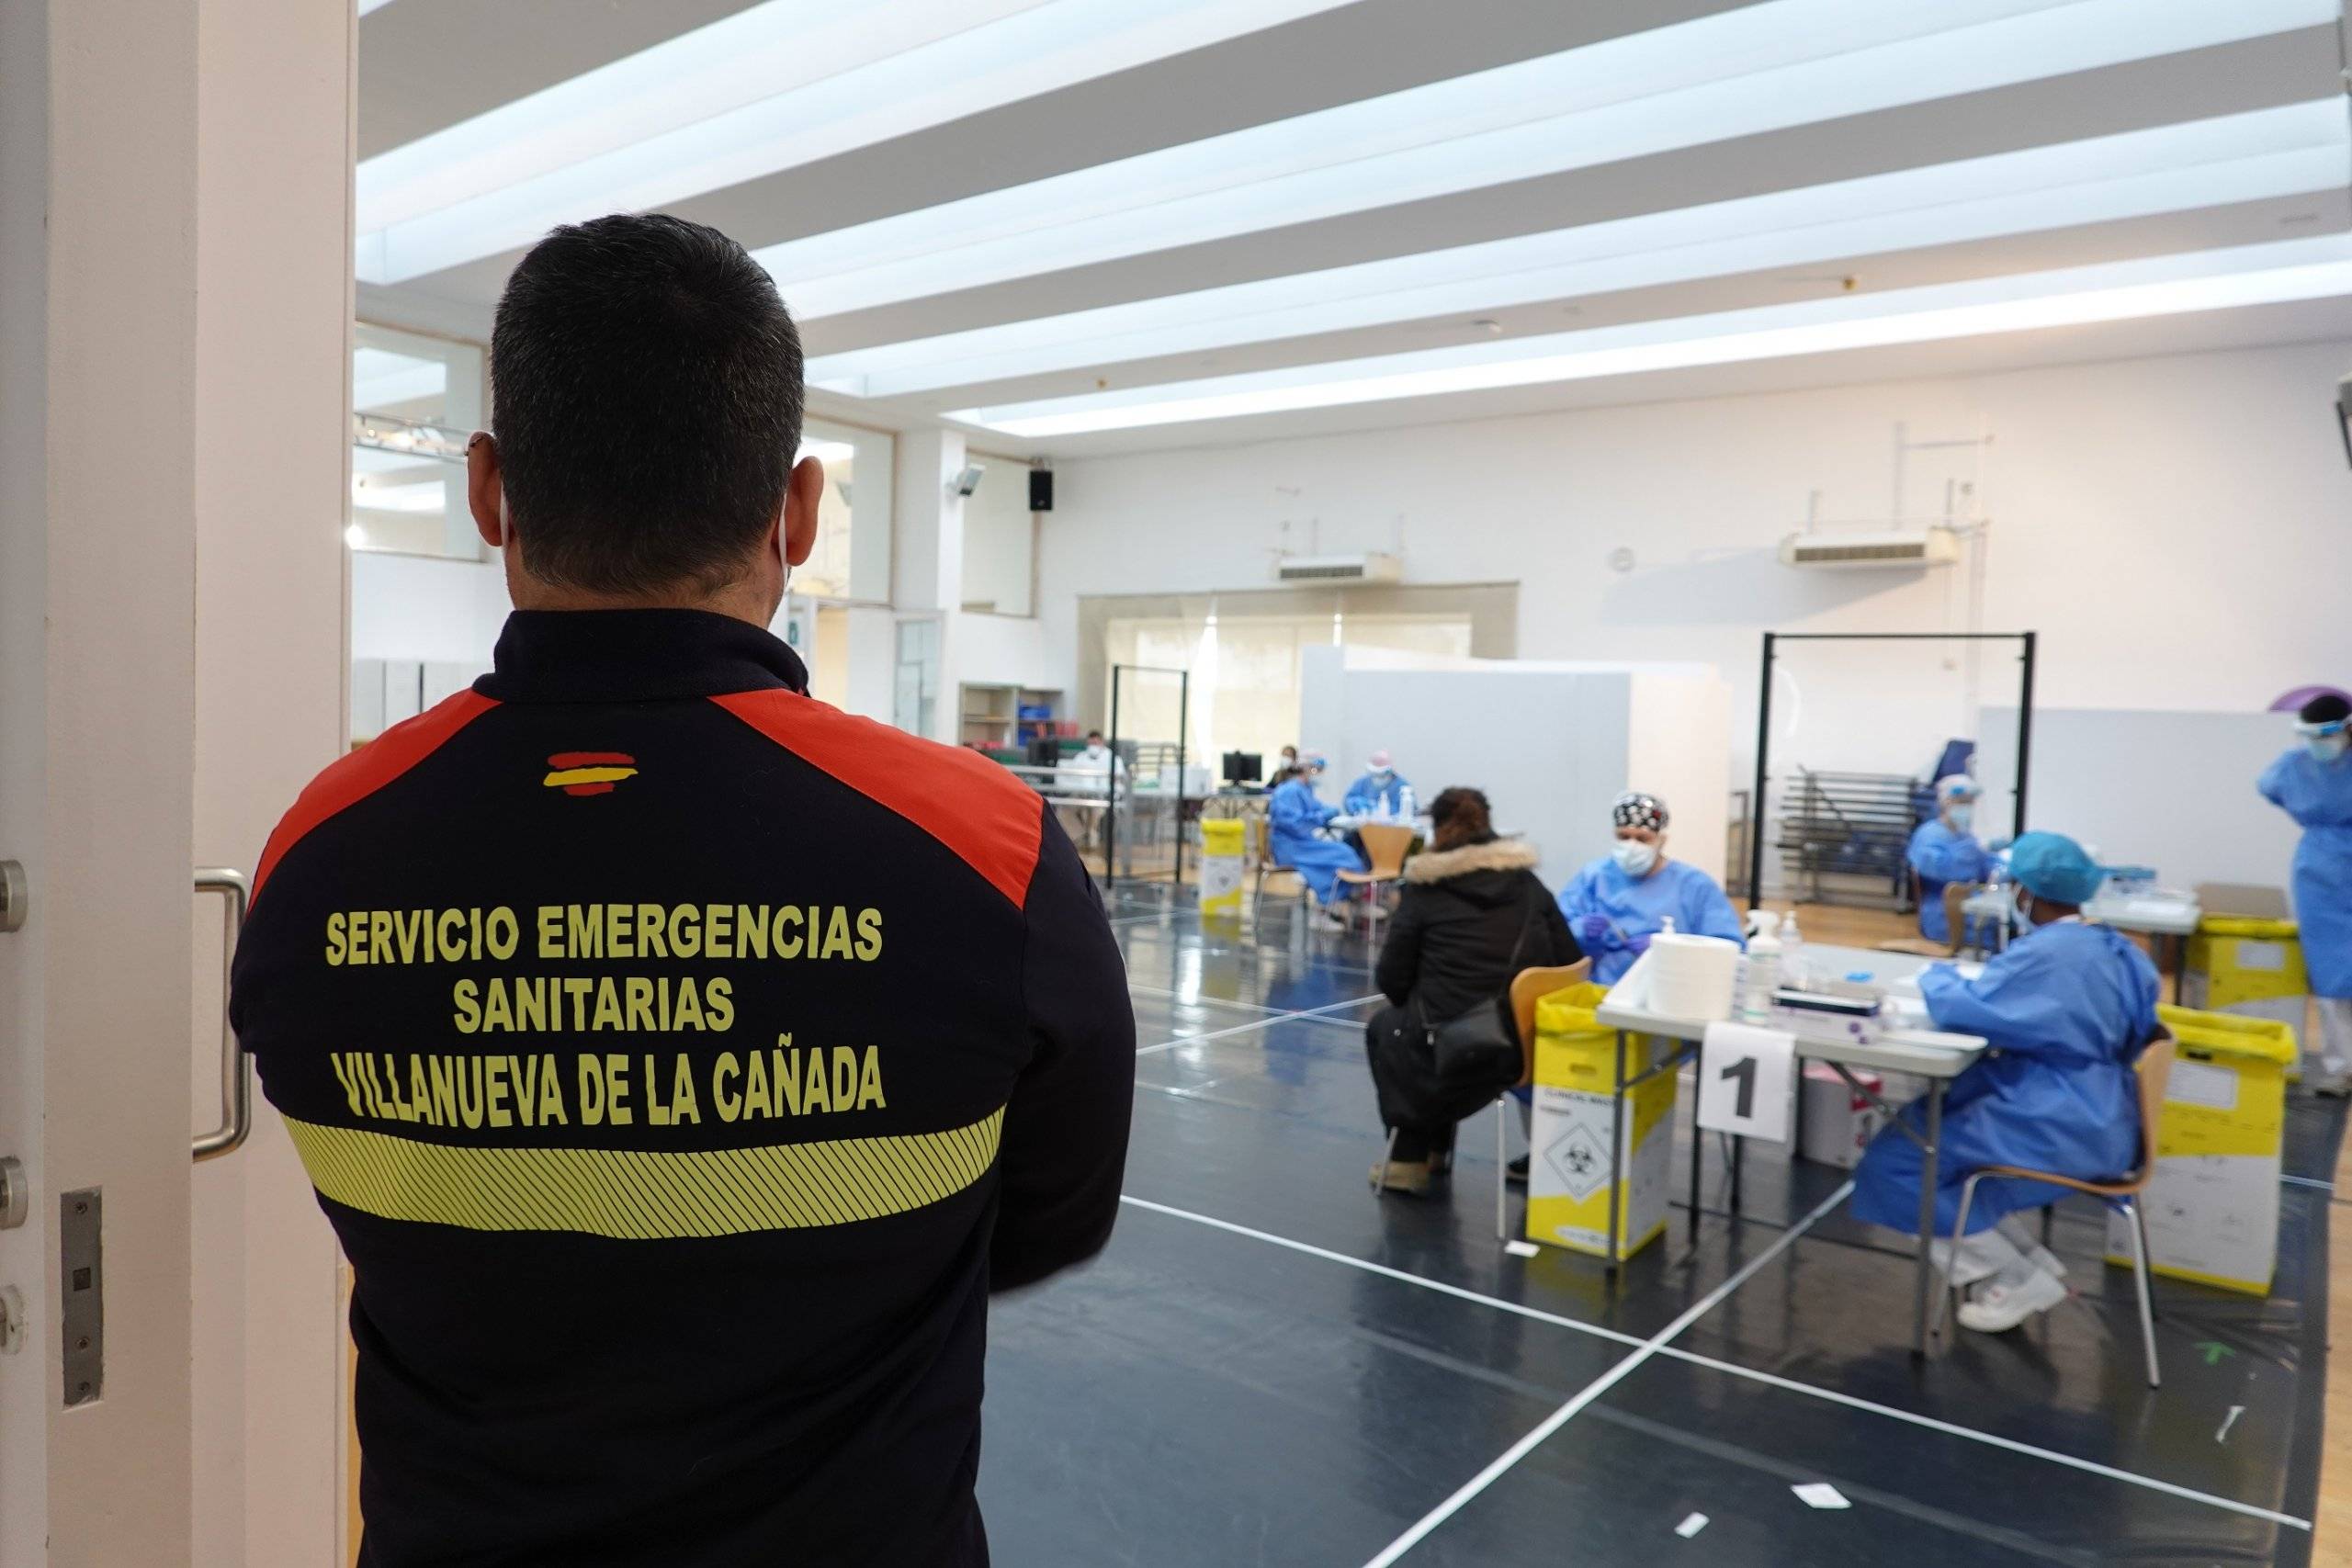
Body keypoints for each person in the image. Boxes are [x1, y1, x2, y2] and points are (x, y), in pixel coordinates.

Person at [229, 214, 1136, 1567]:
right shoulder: (985, 848)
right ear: (802, 510)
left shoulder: (320, 852)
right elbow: (1050, 1212)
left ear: (487, 492)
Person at [1851, 831, 2157, 1334]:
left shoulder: (2052, 955)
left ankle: (2015, 1275)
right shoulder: (2112, 945)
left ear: (2027, 894)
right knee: (1930, 1139)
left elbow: (1965, 1009)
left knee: (1902, 1162)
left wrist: (1936, 976)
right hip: (2103, 1112)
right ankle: (2033, 1266)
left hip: (2057, 1119)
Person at [1364, 789, 1579, 1194]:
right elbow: (1568, 961)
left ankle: (1413, 1158)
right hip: (1523, 1047)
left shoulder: (1426, 891)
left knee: (1390, 1030)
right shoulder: (1529, 884)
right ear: (1489, 825)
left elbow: (1392, 980)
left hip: (1452, 1049)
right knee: (1426, 1029)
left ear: (1437, 828)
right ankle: (1435, 1152)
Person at [2260, 690, 2352, 1093]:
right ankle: (2343, 1067)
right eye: (2311, 737)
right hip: (2321, 873)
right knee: (2333, 972)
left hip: (2326, 862)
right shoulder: (2294, 764)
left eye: (2326, 737)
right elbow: (2268, 785)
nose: (2319, 746)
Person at [1556, 791, 1745, 986]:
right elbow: (1555, 932)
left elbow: (1730, 949)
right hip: (1599, 993)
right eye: (1624, 836)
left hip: (1671, 994)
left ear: (1661, 841)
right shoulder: (1594, 877)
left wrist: (1671, 949)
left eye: (1642, 838)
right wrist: (1579, 930)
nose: (1631, 846)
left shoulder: (1695, 886)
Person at [1267, 750, 1367, 930]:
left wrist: (1329, 811)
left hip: (1302, 843)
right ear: (1306, 768)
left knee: (1343, 853)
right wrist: (1322, 816)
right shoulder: (1289, 791)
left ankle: (1331, 904)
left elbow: (1315, 809)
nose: (1318, 774)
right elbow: (1295, 824)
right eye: (1315, 769)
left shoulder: (1304, 789)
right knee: (1343, 854)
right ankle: (1323, 909)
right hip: (1290, 847)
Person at [1907, 773, 1996, 945]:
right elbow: (1942, 870)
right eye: (1961, 802)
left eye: (1970, 802)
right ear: (1946, 803)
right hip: (1943, 912)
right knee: (1994, 932)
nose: (1967, 807)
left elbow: (1985, 867)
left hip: (1969, 903)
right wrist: (1973, 849)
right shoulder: (1929, 834)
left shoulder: (1964, 835)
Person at [1344, 750, 1414, 820]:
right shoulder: (1362, 782)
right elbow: (1348, 801)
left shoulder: (1402, 786)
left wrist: (1381, 810)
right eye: (1375, 774)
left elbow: (1411, 811)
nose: (1378, 778)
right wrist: (1357, 805)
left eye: (1381, 775)